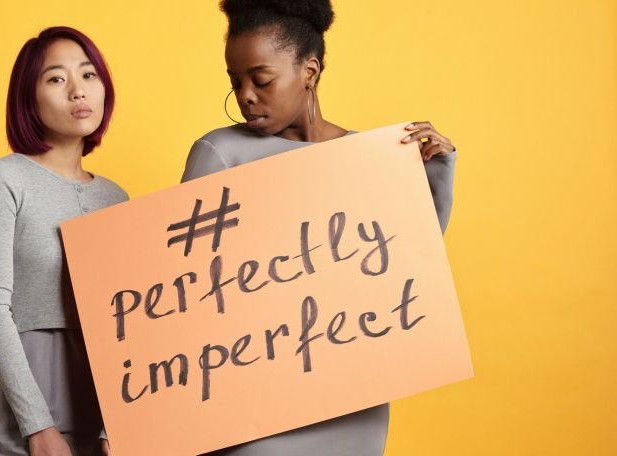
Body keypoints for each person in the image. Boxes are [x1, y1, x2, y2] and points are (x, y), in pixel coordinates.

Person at [182, 1, 458, 455]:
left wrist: (436, 169)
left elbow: (405, 275)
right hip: (252, 401)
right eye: (236, 82)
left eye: (261, 79)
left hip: (352, 400)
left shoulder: (371, 156)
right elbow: (184, 291)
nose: (246, 95)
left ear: (309, 70)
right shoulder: (219, 153)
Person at [0, 26, 125, 456]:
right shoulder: (4, 179)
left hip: (110, 404)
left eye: (88, 75)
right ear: (28, 99)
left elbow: (129, 318)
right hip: (37, 394)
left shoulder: (117, 198)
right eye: (56, 79)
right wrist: (37, 427)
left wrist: (120, 421)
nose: (78, 91)